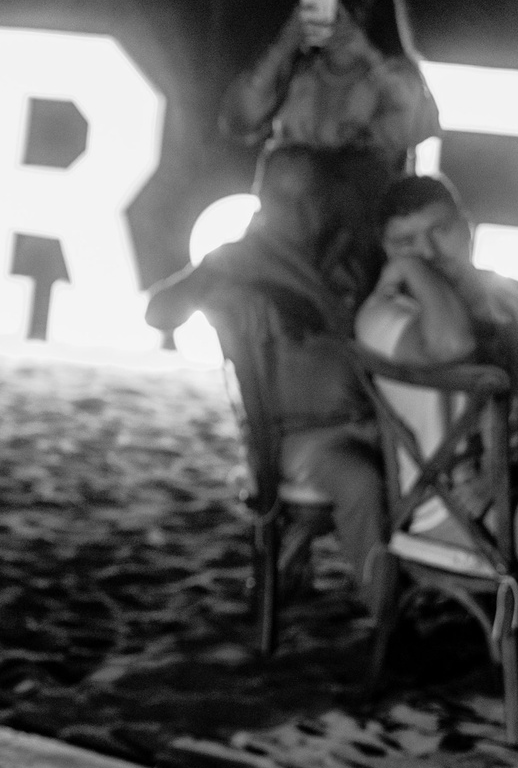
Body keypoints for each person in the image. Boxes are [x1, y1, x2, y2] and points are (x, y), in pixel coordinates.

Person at [146, 145, 391, 615]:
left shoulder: (351, 253)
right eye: (284, 199)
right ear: (260, 197)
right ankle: (388, 622)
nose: (299, 212)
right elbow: (159, 312)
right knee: (361, 484)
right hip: (301, 438)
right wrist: (224, 293)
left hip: (378, 418)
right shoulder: (238, 260)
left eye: (310, 198)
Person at [354, 174, 518, 742]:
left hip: (512, 479)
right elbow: (453, 346)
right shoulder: (381, 315)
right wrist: (414, 273)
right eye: (405, 244)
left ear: (465, 229)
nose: (428, 252)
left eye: (440, 232)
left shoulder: (512, 299)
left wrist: (512, 461)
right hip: (446, 512)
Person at [222, 0, 440, 239]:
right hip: (284, 235)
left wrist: (368, 54)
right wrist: (286, 42)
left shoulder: (392, 77)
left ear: (375, 5)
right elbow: (239, 120)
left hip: (357, 240)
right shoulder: (296, 71)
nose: (341, 9)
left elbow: (415, 127)